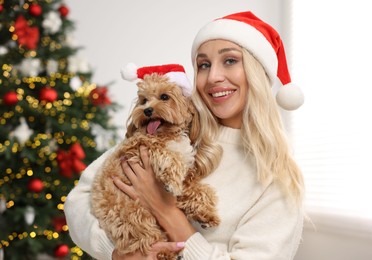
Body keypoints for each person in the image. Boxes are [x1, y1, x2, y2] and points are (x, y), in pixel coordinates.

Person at [64, 11, 305, 260]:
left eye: (230, 61)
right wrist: (118, 253)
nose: (213, 77)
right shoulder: (166, 131)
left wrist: (166, 211)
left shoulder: (277, 177)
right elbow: (77, 201)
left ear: (257, 72)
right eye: (203, 65)